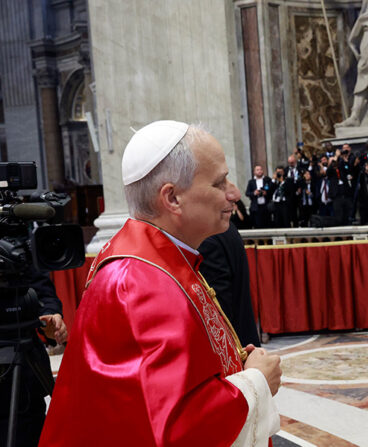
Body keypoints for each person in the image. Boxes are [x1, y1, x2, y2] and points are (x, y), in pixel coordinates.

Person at [40, 121, 281, 446]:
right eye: (219, 182)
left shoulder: (160, 258)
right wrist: (256, 381)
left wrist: (235, 365)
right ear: (172, 198)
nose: (234, 193)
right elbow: (179, 430)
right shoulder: (140, 283)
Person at [0, 272, 67, 446]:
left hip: (26, 368)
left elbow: (43, 292)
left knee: (32, 431)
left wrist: (51, 316)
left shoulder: (19, 247)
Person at [199, 221, 262, 347]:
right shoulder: (224, 226)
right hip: (242, 337)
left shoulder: (205, 238)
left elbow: (218, 309)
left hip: (228, 348)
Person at [245, 164, 273, 228]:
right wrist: (254, 193)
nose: (259, 171)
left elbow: (271, 190)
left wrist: (266, 193)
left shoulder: (267, 180)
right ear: (254, 172)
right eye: (257, 170)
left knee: (267, 224)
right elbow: (247, 193)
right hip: (256, 207)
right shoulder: (251, 182)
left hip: (266, 206)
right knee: (258, 224)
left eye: (261, 169)